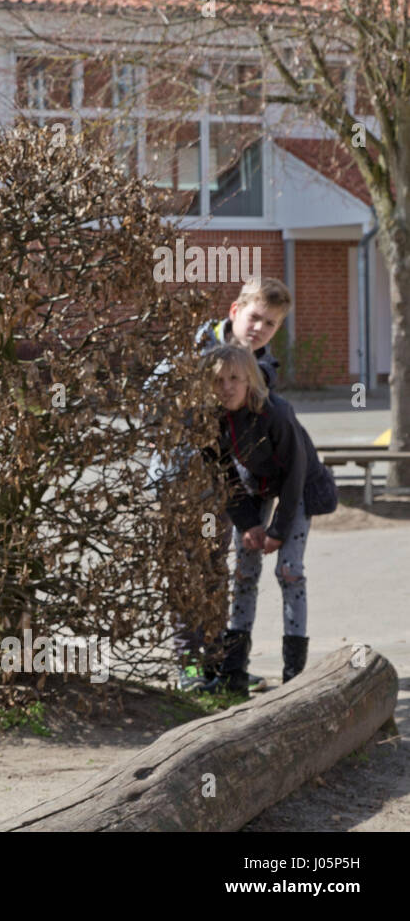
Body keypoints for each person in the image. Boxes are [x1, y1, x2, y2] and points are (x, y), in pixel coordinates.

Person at [146, 277, 293, 689]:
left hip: (225, 489)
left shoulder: (263, 369)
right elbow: (153, 403)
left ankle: (215, 668)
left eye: (271, 324)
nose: (260, 329)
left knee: (213, 575)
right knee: (185, 576)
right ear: (235, 311)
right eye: (255, 318)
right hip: (180, 483)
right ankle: (189, 671)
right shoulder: (194, 354)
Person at [198, 344, 334, 694]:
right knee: (243, 572)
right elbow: (223, 475)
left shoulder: (277, 413)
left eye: (234, 379)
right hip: (252, 486)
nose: (226, 387)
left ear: (250, 381)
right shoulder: (210, 419)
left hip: (297, 484)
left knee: (288, 570)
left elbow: (294, 473)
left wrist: (277, 530)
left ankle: (294, 676)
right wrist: (248, 524)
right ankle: (234, 671)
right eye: (218, 381)